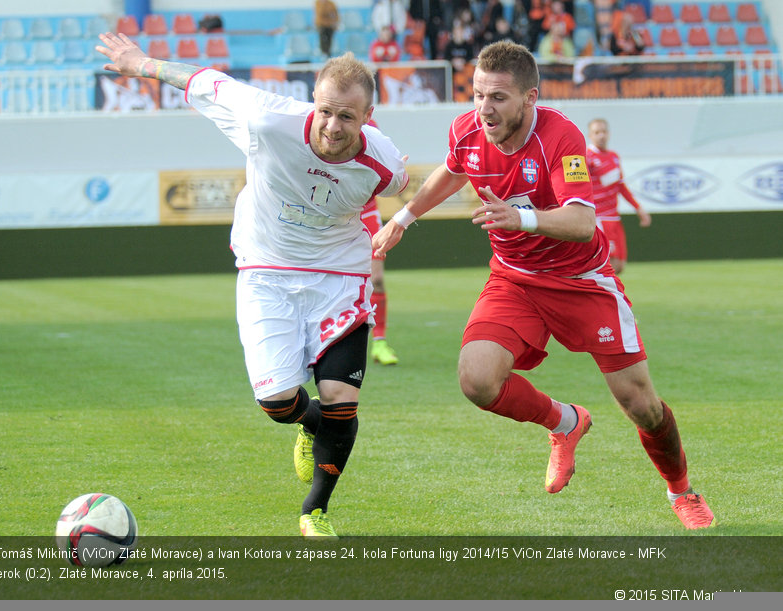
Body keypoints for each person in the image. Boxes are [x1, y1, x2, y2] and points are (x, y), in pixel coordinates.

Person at [372, 41, 716, 530]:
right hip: (515, 279)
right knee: (477, 380)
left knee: (642, 405)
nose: (483, 109)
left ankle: (682, 492)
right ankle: (565, 422)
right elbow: (453, 170)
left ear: (530, 97)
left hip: (582, 281)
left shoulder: (561, 137)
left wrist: (520, 217)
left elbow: (580, 222)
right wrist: (404, 217)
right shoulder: (467, 130)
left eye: (498, 98)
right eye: (476, 94)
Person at [96, 33, 408, 538]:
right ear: (313, 102)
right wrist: (141, 63)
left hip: (340, 274)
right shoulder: (268, 120)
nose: (333, 126)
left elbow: (400, 186)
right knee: (278, 402)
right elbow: (205, 81)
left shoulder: (386, 164)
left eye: (347, 117)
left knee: (340, 399)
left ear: (368, 117)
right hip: (266, 270)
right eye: (326, 111)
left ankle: (315, 512)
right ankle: (310, 425)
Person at [586, 118, 650, 274]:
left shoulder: (614, 156)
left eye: (604, 131)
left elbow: (620, 186)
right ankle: (603, 296)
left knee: (619, 265)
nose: (601, 135)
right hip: (600, 218)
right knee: (609, 265)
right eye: (596, 132)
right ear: (590, 135)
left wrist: (638, 208)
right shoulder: (587, 157)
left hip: (614, 217)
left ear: (609, 133)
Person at [362, 121, 400, 365]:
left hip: (367, 213)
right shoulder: (323, 122)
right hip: (336, 215)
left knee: (375, 280)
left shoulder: (370, 127)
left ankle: (380, 342)